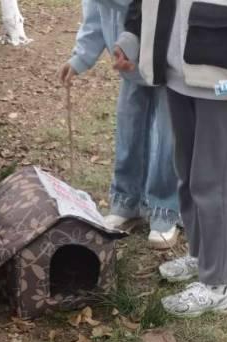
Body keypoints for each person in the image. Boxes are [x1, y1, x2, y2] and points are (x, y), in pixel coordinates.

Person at [113, 0, 227, 317]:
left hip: (226, 69)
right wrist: (133, 36)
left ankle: (218, 285)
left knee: (216, 180)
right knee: (190, 173)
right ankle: (202, 256)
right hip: (176, 63)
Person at [60, 0, 181, 249]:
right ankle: (127, 201)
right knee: (129, 132)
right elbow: (94, 18)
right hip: (129, 67)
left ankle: (165, 208)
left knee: (168, 137)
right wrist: (80, 58)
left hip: (165, 60)